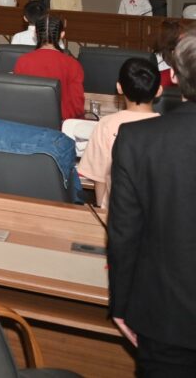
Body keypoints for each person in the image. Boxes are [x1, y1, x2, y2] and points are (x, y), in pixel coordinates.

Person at [108, 34, 196, 372]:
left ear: (173, 75)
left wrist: (121, 302)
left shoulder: (137, 140)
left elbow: (124, 233)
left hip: (165, 315)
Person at [79, 58, 160, 209]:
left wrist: (102, 207)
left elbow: (100, 178)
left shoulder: (106, 125)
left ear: (119, 87)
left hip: (116, 213)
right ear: (159, 90)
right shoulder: (168, 129)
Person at [14, 16, 85, 121]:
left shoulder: (22, 61)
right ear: (62, 34)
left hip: (29, 123)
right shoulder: (73, 64)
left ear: (35, 34)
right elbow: (77, 106)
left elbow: (18, 98)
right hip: (62, 124)